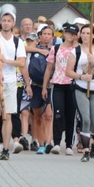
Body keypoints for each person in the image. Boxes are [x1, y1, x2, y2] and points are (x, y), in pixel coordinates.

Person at [0, 6, 27, 160]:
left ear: (13, 23)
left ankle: (6, 149)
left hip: (10, 82)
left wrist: (6, 61)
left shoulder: (18, 42)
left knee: (7, 116)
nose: (6, 23)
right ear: (0, 22)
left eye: (9, 20)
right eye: (4, 20)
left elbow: (21, 63)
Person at [66, 24, 94, 162]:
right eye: (83, 33)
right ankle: (85, 150)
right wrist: (81, 77)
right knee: (85, 119)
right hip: (80, 87)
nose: (85, 36)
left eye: (88, 33)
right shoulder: (75, 51)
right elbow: (68, 71)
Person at [42, 23, 80, 156]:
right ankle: (56, 142)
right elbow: (48, 68)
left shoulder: (78, 49)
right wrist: (44, 86)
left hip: (73, 85)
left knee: (71, 115)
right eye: (68, 33)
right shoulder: (56, 48)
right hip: (58, 84)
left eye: (73, 34)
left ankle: (69, 144)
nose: (70, 36)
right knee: (58, 114)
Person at [29, 24, 55, 153]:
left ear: (52, 36)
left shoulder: (56, 49)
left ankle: (49, 142)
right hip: (36, 85)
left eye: (49, 34)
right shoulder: (34, 48)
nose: (46, 36)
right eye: (44, 34)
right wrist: (40, 50)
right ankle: (40, 144)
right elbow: (24, 48)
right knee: (37, 116)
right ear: (39, 36)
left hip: (51, 86)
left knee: (49, 115)